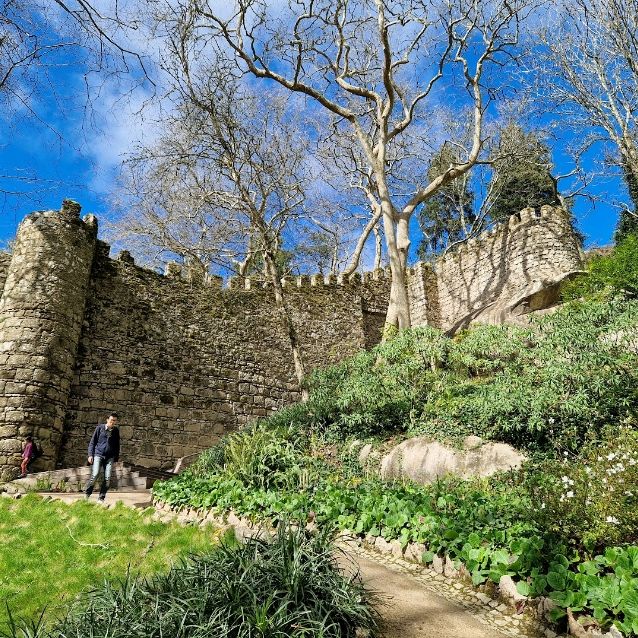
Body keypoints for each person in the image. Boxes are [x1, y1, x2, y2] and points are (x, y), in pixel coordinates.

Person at [84, 413, 120, 502]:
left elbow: (117, 446)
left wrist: (116, 458)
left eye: (115, 420)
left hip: (109, 457)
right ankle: (87, 494)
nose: (113, 422)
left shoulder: (116, 431)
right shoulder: (99, 428)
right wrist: (90, 455)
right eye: (112, 420)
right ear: (107, 420)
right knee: (95, 474)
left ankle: (101, 498)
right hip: (98, 455)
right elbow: (92, 442)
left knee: (107, 478)